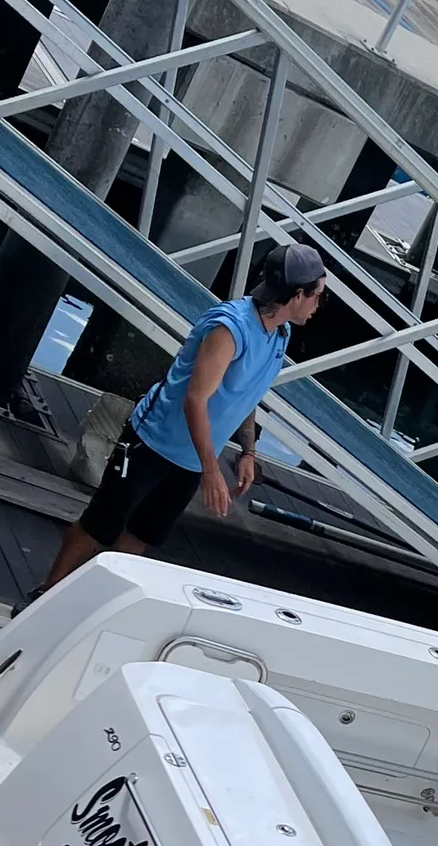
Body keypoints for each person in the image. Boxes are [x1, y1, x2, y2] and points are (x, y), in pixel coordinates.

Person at [28, 240, 327, 599]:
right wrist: (212, 471)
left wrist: (248, 451)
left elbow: (249, 392)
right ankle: (45, 591)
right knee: (100, 523)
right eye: (318, 296)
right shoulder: (229, 329)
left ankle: (93, 601)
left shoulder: (281, 333)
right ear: (298, 294)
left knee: (142, 534)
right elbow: (195, 399)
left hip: (191, 460)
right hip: (152, 443)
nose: (319, 306)